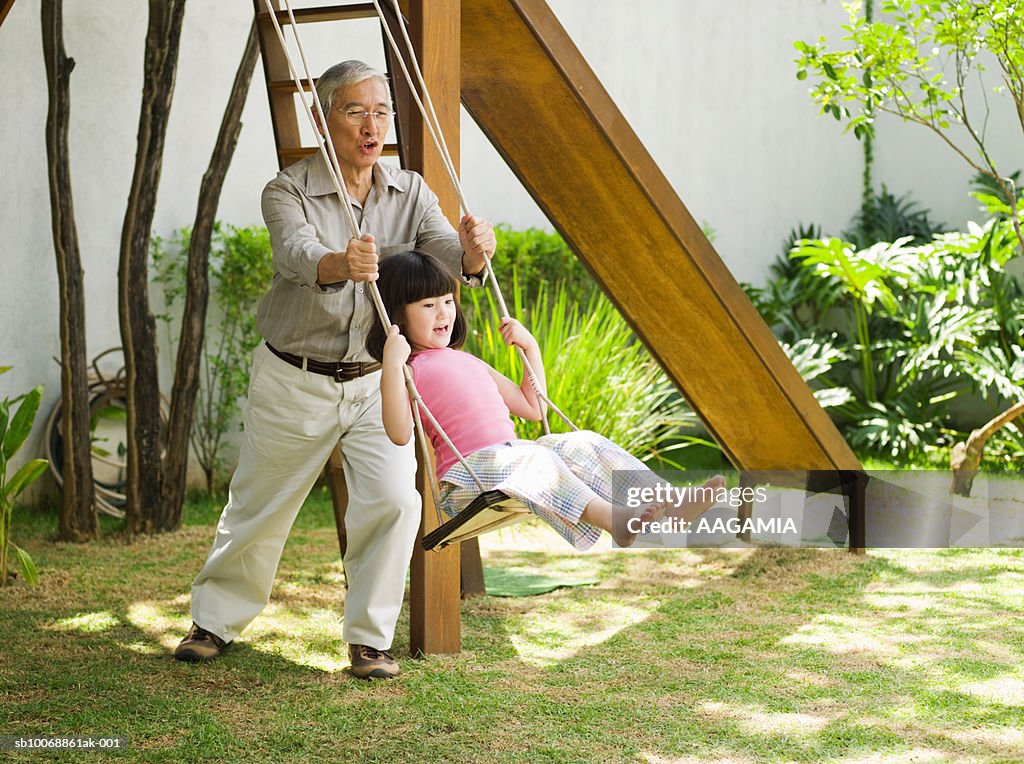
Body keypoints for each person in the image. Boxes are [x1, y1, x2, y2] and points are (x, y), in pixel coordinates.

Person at [174, 61, 496, 680]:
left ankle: (369, 640)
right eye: (355, 111)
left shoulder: (411, 192)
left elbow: (445, 253)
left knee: (396, 502)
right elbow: (295, 254)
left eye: (380, 112)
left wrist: (474, 257)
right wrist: (337, 262)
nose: (371, 124)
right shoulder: (287, 190)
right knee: (259, 506)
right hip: (295, 376)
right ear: (323, 120)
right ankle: (213, 622)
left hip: (378, 380)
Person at [367, 251, 725, 549]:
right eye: (429, 305)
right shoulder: (408, 370)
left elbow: (533, 406)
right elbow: (399, 433)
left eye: (448, 301)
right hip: (466, 479)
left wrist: (530, 346)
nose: (444, 312)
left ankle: (670, 504)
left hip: (510, 459)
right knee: (533, 456)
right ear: (398, 315)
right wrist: (392, 362)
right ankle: (614, 520)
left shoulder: (470, 361)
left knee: (582, 442)